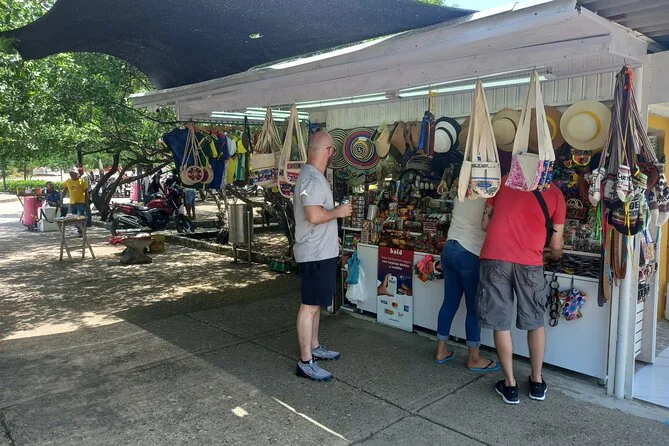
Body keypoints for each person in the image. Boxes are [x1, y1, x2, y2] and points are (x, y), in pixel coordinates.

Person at [479, 181, 566, 405]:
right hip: (530, 262)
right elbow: (556, 244)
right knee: (535, 321)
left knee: (500, 322)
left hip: (495, 256)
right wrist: (554, 254)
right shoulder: (556, 194)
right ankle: (536, 382)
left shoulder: (501, 183)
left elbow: (484, 224)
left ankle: (510, 386)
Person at [293, 131, 352, 382]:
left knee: (316, 304)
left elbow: (317, 217)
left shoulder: (312, 176)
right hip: (314, 253)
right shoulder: (312, 179)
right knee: (309, 306)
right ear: (329, 151)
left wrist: (331, 235)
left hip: (320, 249)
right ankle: (306, 362)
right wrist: (339, 212)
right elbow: (314, 215)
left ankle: (314, 347)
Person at [434, 199, 500, 373]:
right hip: (470, 252)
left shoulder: (462, 192)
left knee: (449, 303)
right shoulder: (490, 196)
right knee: (473, 308)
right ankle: (474, 358)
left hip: (449, 248)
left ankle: (441, 351)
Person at [61, 169, 89, 235]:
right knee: (74, 218)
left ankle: (81, 231)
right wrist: (61, 198)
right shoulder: (68, 181)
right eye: (70, 174)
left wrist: (87, 202)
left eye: (72, 173)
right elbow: (64, 190)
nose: (71, 175)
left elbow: (86, 192)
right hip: (72, 202)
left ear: (77, 174)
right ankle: (80, 229)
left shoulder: (81, 181)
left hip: (81, 202)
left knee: (80, 217)